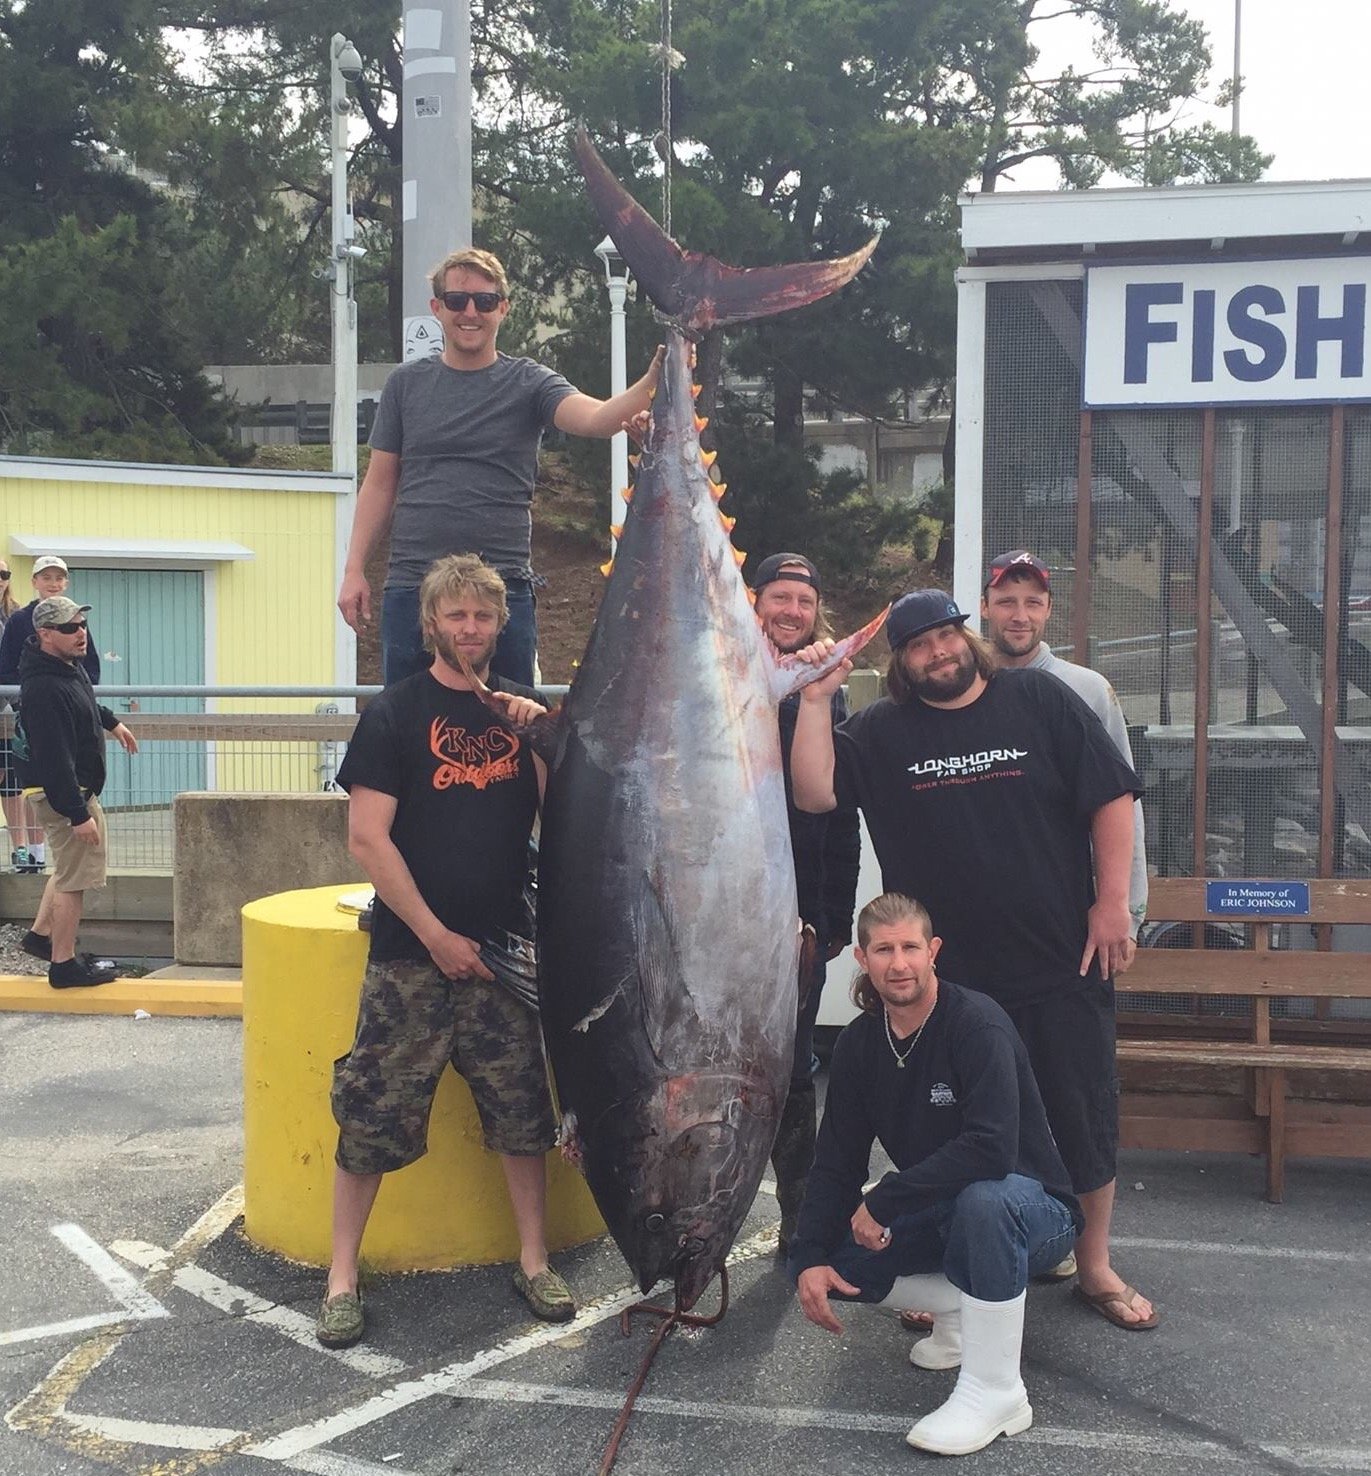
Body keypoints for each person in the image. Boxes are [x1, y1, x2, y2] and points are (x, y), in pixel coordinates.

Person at [789, 588, 1157, 1331]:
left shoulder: (1038, 699)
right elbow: (815, 791)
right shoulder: (881, 731)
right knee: (949, 1135)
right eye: (917, 645)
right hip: (945, 984)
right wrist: (815, 697)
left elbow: (1111, 796)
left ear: (967, 635)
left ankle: (1092, 1265)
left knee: (1082, 1113)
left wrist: (1112, 902)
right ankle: (949, 1262)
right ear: (901, 662)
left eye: (945, 635)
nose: (937, 652)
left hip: (1058, 959)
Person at [319, 553, 572, 1350]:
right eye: (456, 615)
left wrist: (543, 736)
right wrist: (434, 936)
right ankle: (341, 1277)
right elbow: (368, 839)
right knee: (370, 1116)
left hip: (506, 954)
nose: (470, 628)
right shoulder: (394, 713)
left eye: (483, 615)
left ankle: (533, 1261)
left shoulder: (521, 713)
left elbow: (565, 822)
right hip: (409, 957)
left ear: (501, 624)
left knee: (523, 1117)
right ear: (431, 623)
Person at [790, 892, 1081, 1456]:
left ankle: (997, 1391)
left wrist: (886, 1199)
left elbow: (992, 1151)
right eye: (883, 950)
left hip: (1034, 1212)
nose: (898, 963)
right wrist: (808, 1256)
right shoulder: (858, 1044)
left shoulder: (976, 1024)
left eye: (910, 947)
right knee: (834, 1266)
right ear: (862, 958)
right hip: (947, 1209)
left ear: (933, 951)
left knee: (985, 1200)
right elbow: (836, 1163)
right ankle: (959, 1311)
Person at [336, 247, 663, 687]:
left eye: (485, 301)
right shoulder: (404, 385)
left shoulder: (531, 382)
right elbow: (379, 483)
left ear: (503, 309)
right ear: (437, 308)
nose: (470, 312)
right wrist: (354, 569)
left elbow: (598, 418)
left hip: (502, 590)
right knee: (407, 719)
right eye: (457, 300)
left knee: (513, 719)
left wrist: (657, 376)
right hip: (414, 586)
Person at [750, 552, 860, 1252]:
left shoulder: (827, 687)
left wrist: (833, 918)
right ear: (754, 601)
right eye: (779, 597)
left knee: (792, 1069)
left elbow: (837, 815)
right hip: (719, 914)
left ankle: (799, 1211)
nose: (792, 611)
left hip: (798, 919)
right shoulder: (720, 669)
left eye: (804, 601)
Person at [981, 549, 1148, 953]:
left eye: (1033, 603)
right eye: (1006, 602)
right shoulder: (962, 691)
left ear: (1049, 609)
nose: (1020, 616)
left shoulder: (1089, 690)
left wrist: (1127, 914)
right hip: (983, 915)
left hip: (1070, 913)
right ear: (984, 607)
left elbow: (1123, 803)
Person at [11, 597, 137, 988]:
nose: (80, 633)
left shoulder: (66, 667)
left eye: (82, 625)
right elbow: (53, 759)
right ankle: (63, 965)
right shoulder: (44, 686)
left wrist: (111, 722)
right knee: (74, 880)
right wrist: (78, 814)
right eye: (69, 628)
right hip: (64, 793)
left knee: (68, 868)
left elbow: (84, 702)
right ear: (45, 634)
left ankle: (40, 936)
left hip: (70, 790)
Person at [0, 555, 102, 874]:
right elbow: (7, 670)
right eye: (47, 577)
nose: (78, 632)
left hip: (63, 715)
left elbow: (90, 671)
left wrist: (105, 716)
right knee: (25, 783)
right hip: (31, 712)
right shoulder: (19, 621)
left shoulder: (21, 615)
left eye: (59, 578)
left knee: (65, 871)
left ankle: (36, 851)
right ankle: (24, 849)